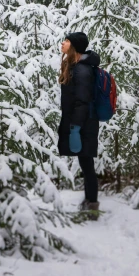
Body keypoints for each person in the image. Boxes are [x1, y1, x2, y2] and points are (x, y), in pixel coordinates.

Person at [57, 31, 101, 216]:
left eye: (66, 41)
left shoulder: (82, 70)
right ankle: (90, 200)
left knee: (87, 162)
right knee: (85, 161)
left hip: (83, 124)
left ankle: (92, 205)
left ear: (74, 46)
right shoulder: (75, 66)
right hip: (81, 122)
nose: (63, 43)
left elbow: (82, 101)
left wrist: (75, 128)